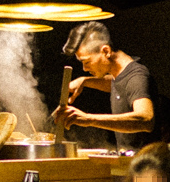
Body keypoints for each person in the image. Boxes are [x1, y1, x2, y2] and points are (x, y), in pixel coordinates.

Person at [55, 21, 157, 152]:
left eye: (87, 62)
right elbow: (119, 84)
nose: (85, 68)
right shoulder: (121, 74)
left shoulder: (137, 76)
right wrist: (85, 81)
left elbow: (146, 119)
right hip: (129, 162)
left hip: (147, 166)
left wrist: (88, 119)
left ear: (106, 51)